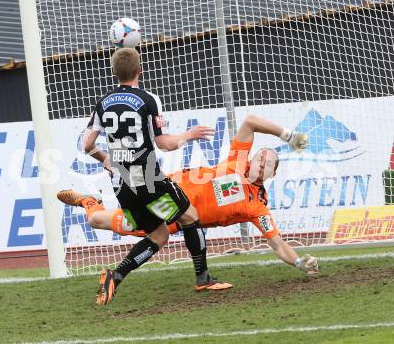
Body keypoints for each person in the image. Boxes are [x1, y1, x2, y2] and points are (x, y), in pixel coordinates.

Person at [58, 113, 319, 277]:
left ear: (272, 174)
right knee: (119, 172)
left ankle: (89, 202)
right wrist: (288, 136)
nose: (262, 162)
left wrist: (299, 263)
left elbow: (278, 244)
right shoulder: (239, 161)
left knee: (98, 221)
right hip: (164, 190)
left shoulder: (257, 206)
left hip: (174, 218)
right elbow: (251, 121)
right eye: (261, 156)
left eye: (268, 164)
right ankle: (102, 165)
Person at [79, 47, 231, 306]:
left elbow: (87, 144)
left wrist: (107, 160)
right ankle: (203, 278)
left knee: (159, 235)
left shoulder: (103, 102)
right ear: (140, 70)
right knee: (190, 216)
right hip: (148, 179)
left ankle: (116, 275)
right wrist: (187, 136)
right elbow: (164, 144)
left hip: (121, 184)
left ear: (114, 72)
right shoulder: (148, 99)